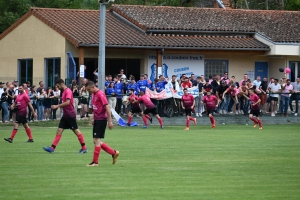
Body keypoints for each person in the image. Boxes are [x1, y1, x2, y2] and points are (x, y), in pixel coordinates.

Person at [42, 79, 88, 153]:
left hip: (70, 115)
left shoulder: (68, 91)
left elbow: (67, 102)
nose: (57, 87)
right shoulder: (64, 92)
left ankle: (84, 148)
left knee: (76, 131)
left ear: (61, 84)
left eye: (58, 86)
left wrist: (57, 106)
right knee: (59, 131)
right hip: (65, 115)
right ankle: (52, 148)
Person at [85, 81, 119, 166]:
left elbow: (107, 108)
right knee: (96, 141)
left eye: (89, 89)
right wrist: (93, 118)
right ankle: (113, 153)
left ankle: (95, 162)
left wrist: (109, 121)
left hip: (102, 119)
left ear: (93, 87)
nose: (89, 91)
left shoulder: (101, 94)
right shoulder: (93, 94)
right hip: (97, 119)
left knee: (96, 140)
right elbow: (95, 108)